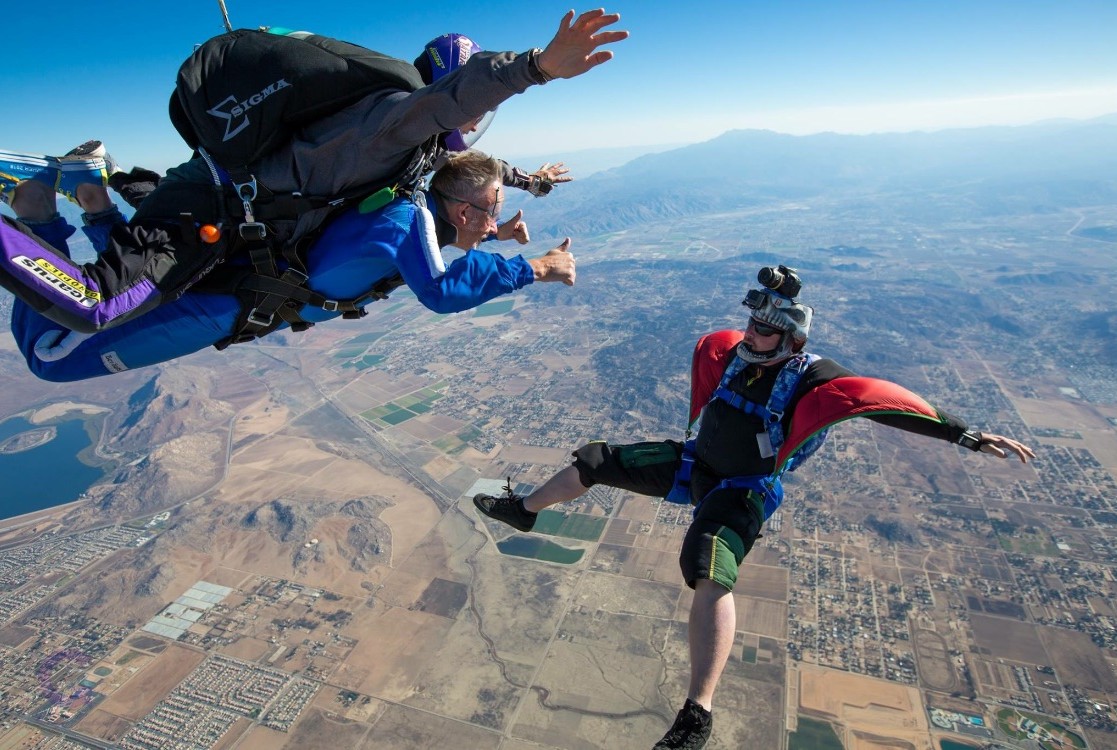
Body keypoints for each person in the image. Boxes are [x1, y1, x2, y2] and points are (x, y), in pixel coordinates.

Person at [472, 265, 1035, 750]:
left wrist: (964, 435)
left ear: (789, 338)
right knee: (597, 459)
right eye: (751, 323)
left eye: (765, 329)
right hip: (698, 464)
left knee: (707, 563)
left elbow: (880, 401)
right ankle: (524, 509)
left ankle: (699, 711)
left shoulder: (812, 376)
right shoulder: (737, 356)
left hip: (744, 487)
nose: (751, 333)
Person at [0, 9, 625, 335]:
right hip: (210, 211)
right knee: (97, 306)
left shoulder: (401, 139)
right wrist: (536, 68)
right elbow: (447, 110)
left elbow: (460, 164)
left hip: (220, 193)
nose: (474, 123)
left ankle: (90, 182)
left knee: (153, 252)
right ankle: (50, 212)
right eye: (473, 109)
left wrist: (530, 183)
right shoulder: (395, 119)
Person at [9, 150, 576, 382]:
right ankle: (40, 217)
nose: (494, 220)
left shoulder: (404, 206)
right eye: (492, 210)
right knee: (51, 359)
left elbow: (409, 251)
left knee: (113, 293)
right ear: (459, 207)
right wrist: (533, 269)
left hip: (232, 278)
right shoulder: (411, 223)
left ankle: (79, 200)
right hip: (220, 307)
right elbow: (443, 292)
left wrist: (495, 231)